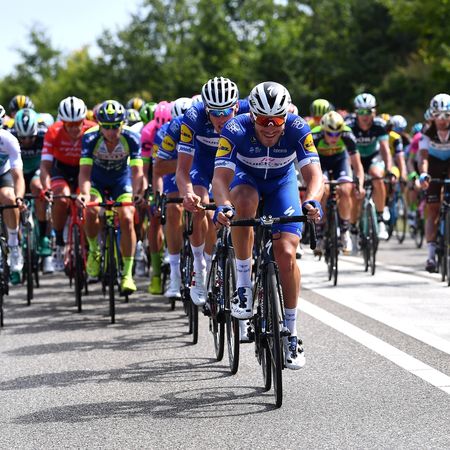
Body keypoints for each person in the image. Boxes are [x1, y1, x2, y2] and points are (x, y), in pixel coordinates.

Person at [212, 81, 323, 369]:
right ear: (252, 116)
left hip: (282, 183)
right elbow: (220, 179)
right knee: (243, 201)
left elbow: (314, 175)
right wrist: (223, 204)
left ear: (286, 116)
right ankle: (244, 286)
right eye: (263, 120)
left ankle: (291, 333)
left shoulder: (298, 127)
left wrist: (313, 200)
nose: (271, 127)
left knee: (285, 253)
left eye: (277, 120)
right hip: (246, 180)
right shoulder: (235, 128)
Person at [176, 76, 248, 307]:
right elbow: (182, 170)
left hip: (233, 165)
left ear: (236, 106)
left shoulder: (249, 109)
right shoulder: (193, 117)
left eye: (226, 111)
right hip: (202, 165)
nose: (221, 117)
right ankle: (199, 267)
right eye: (215, 112)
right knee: (201, 208)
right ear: (206, 109)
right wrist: (187, 192)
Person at [77, 100, 144, 293]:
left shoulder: (132, 137)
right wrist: (84, 194)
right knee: (91, 211)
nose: (111, 131)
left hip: (121, 181)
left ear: (123, 124)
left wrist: (138, 193)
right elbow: (84, 172)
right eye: (106, 127)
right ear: (99, 125)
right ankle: (94, 250)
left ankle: (127, 274)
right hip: (96, 181)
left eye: (115, 126)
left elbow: (137, 172)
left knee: (128, 217)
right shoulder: (90, 138)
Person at [40, 96, 96, 271]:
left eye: (77, 123)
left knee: (85, 203)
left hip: (84, 169)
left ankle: (88, 246)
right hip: (61, 169)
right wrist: (46, 188)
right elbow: (45, 166)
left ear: (83, 120)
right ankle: (58, 241)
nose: (74, 128)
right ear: (62, 122)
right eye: (69, 124)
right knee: (61, 198)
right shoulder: (53, 131)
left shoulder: (93, 130)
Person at [153, 97, 193, 299]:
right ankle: (175, 274)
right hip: (173, 174)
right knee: (173, 209)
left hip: (199, 173)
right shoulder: (164, 132)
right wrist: (157, 196)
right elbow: (158, 168)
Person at [311, 110, 365, 254]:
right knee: (323, 189)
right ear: (323, 130)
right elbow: (306, 164)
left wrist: (360, 184)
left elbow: (357, 164)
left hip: (340, 161)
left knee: (346, 189)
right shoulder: (315, 136)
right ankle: (320, 231)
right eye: (330, 134)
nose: (334, 137)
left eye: (337, 134)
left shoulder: (347, 134)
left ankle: (345, 231)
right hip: (320, 162)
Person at [346, 93, 393, 241]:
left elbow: (385, 150)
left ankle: (380, 219)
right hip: (355, 158)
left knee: (377, 176)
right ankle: (353, 227)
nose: (365, 115)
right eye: (361, 111)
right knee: (355, 191)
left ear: (374, 112)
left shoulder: (379, 124)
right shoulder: (349, 125)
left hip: (373, 157)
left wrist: (389, 170)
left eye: (368, 111)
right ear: (356, 112)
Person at [12, 108, 53, 273]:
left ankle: (43, 237)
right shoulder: (10, 135)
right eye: (22, 138)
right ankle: (15, 249)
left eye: (31, 137)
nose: (27, 141)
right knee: (12, 199)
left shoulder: (44, 135)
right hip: (18, 172)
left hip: (36, 171)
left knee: (38, 188)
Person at [140, 101, 172, 293]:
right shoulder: (148, 132)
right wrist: (149, 192)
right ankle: (156, 274)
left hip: (174, 168)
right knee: (155, 217)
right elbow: (146, 170)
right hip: (155, 170)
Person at [418, 93, 450, 273]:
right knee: (433, 209)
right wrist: (424, 174)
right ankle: (430, 255)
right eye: (438, 115)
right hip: (434, 164)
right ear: (432, 115)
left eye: (447, 115)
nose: (442, 119)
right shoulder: (427, 130)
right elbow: (423, 156)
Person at [0, 126, 25, 283]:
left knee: (9, 197)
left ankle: (14, 245)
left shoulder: (8, 139)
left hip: (3, 174)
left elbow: (18, 176)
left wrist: (19, 198)